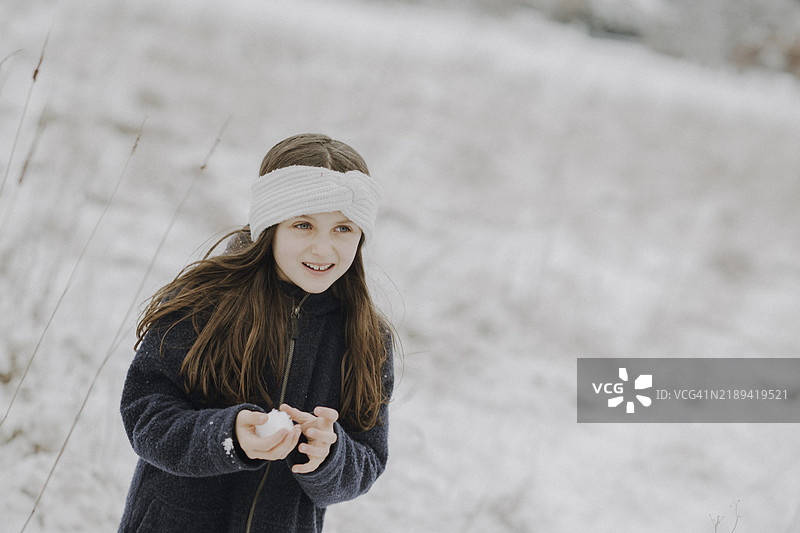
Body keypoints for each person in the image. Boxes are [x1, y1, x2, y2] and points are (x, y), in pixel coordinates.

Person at [118, 133, 395, 532]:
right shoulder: (205, 303)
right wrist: (227, 437)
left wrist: (329, 455)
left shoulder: (366, 337)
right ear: (270, 224)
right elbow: (146, 416)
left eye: (343, 229)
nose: (324, 249)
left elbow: (368, 459)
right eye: (304, 224)